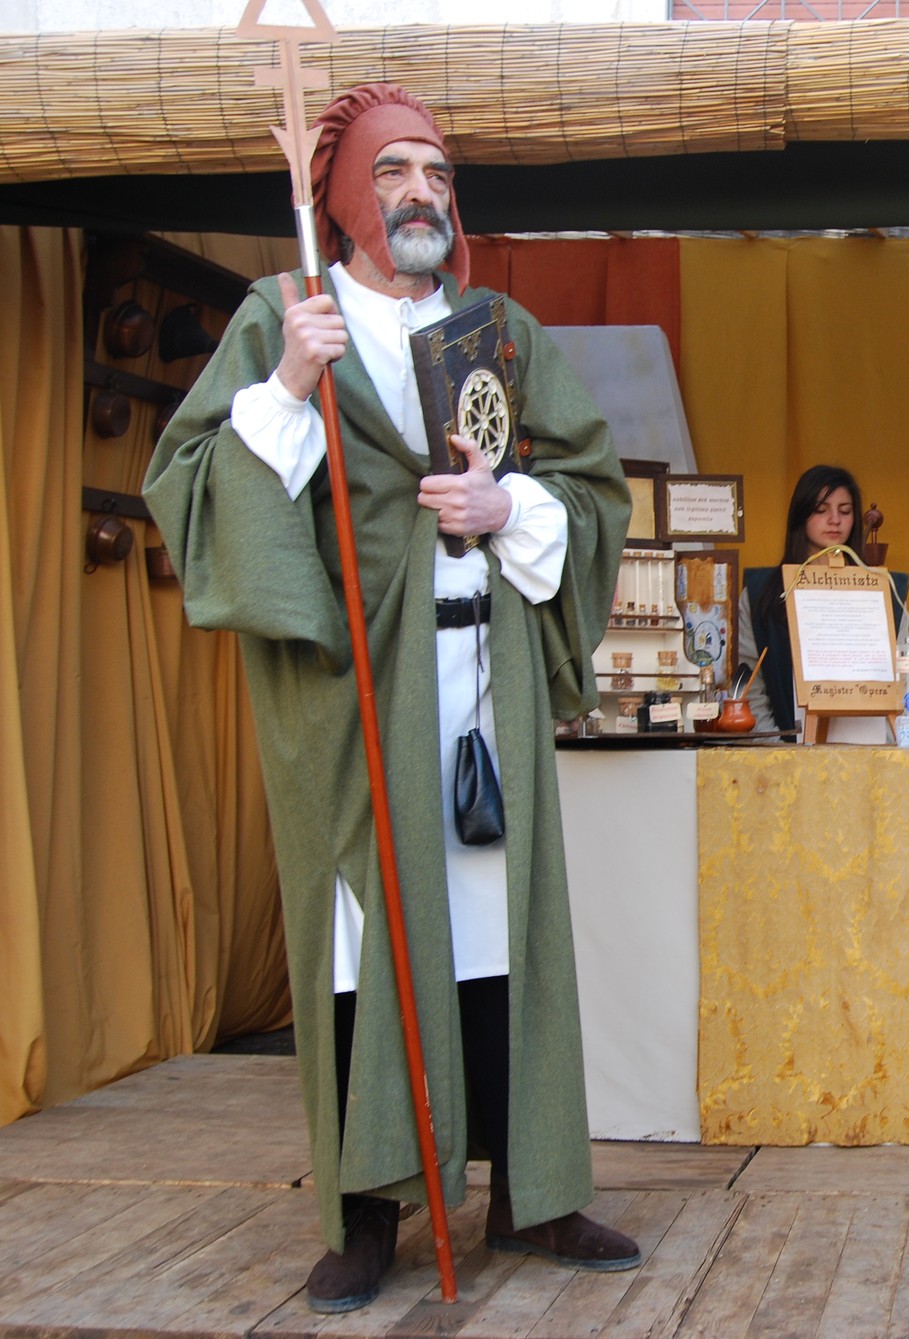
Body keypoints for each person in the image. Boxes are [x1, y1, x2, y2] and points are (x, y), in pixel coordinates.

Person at [142, 83, 637, 1313]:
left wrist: (507, 504)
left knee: (499, 929)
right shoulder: (286, 315)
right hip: (354, 696)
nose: (423, 193)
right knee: (368, 939)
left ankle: (530, 1193)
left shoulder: (496, 328)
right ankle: (367, 1209)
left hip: (487, 688)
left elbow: (592, 484)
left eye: (437, 172)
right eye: (395, 170)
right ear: (344, 198)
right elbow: (189, 488)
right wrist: (282, 391)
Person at [737, 464, 909, 741]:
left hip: (873, 752)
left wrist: (894, 743)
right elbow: (750, 686)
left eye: (845, 511)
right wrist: (777, 749)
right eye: (821, 510)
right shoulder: (762, 594)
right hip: (788, 752)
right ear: (800, 514)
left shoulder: (886, 591)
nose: (834, 520)